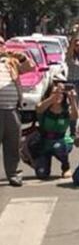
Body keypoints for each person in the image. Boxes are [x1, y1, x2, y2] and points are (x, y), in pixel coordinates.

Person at [0, 38, 34, 187]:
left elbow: (30, 67)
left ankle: (13, 174)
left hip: (11, 110)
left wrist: (22, 56)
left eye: (1, 43)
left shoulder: (10, 63)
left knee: (12, 145)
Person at [33, 79, 78, 179]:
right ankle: (40, 162)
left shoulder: (66, 109)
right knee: (42, 174)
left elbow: (75, 116)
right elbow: (38, 108)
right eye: (54, 92)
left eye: (61, 93)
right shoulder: (45, 108)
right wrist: (52, 99)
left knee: (58, 146)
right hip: (44, 142)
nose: (58, 95)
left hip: (61, 141)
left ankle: (66, 167)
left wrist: (73, 100)